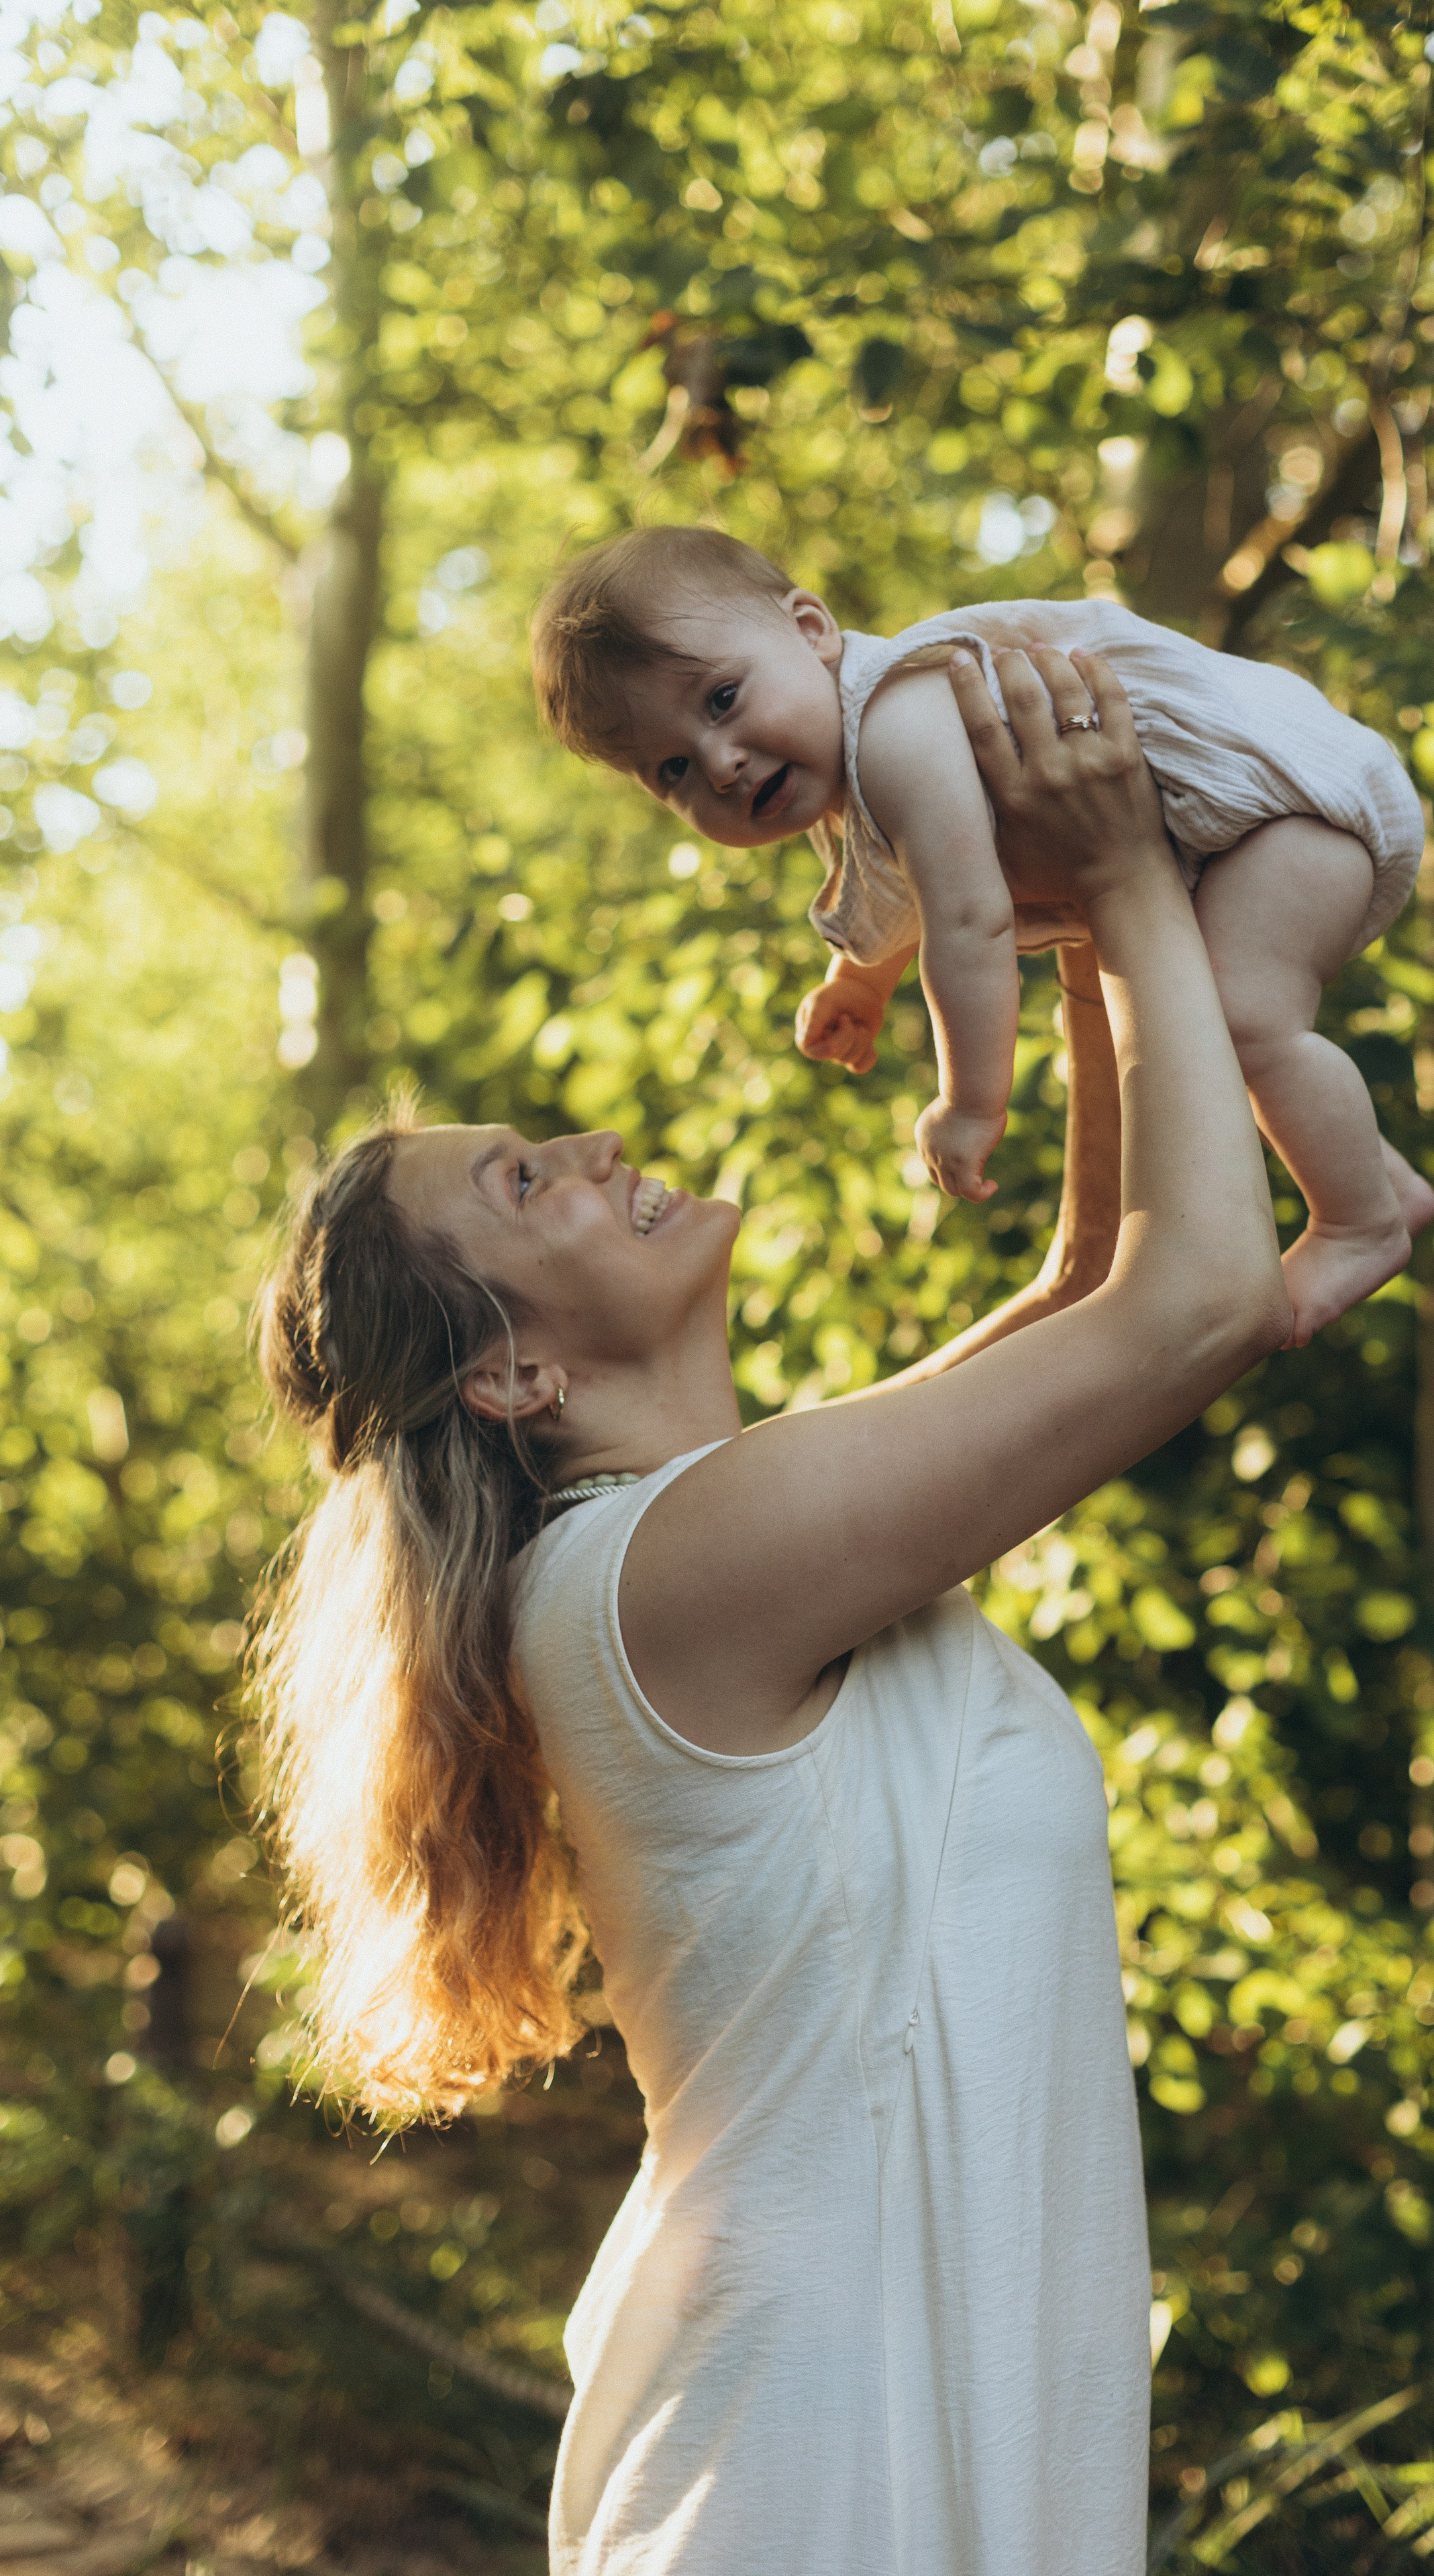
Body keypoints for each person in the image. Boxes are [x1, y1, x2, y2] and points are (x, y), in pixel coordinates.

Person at [249, 648, 1290, 2576]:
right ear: (513, 1382)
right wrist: (1137, 875)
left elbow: (1089, 1283)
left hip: (851, 2431)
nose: (587, 1149)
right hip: (813, 2481)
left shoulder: (714, 1543)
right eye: (523, 1182)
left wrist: (1048, 916)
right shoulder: (663, 1576)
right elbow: (1198, 1303)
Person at [531, 525, 1434, 1346]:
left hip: (1291, 811)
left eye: (723, 699)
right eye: (673, 768)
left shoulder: (895, 721)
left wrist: (970, 1101)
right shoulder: (845, 761)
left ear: (811, 629)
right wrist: (861, 982)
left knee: (1239, 1025)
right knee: (1217, 1035)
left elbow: (968, 918)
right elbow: (903, 889)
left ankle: (1358, 1223)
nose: (720, 765)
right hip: (1245, 840)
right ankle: (1375, 1177)